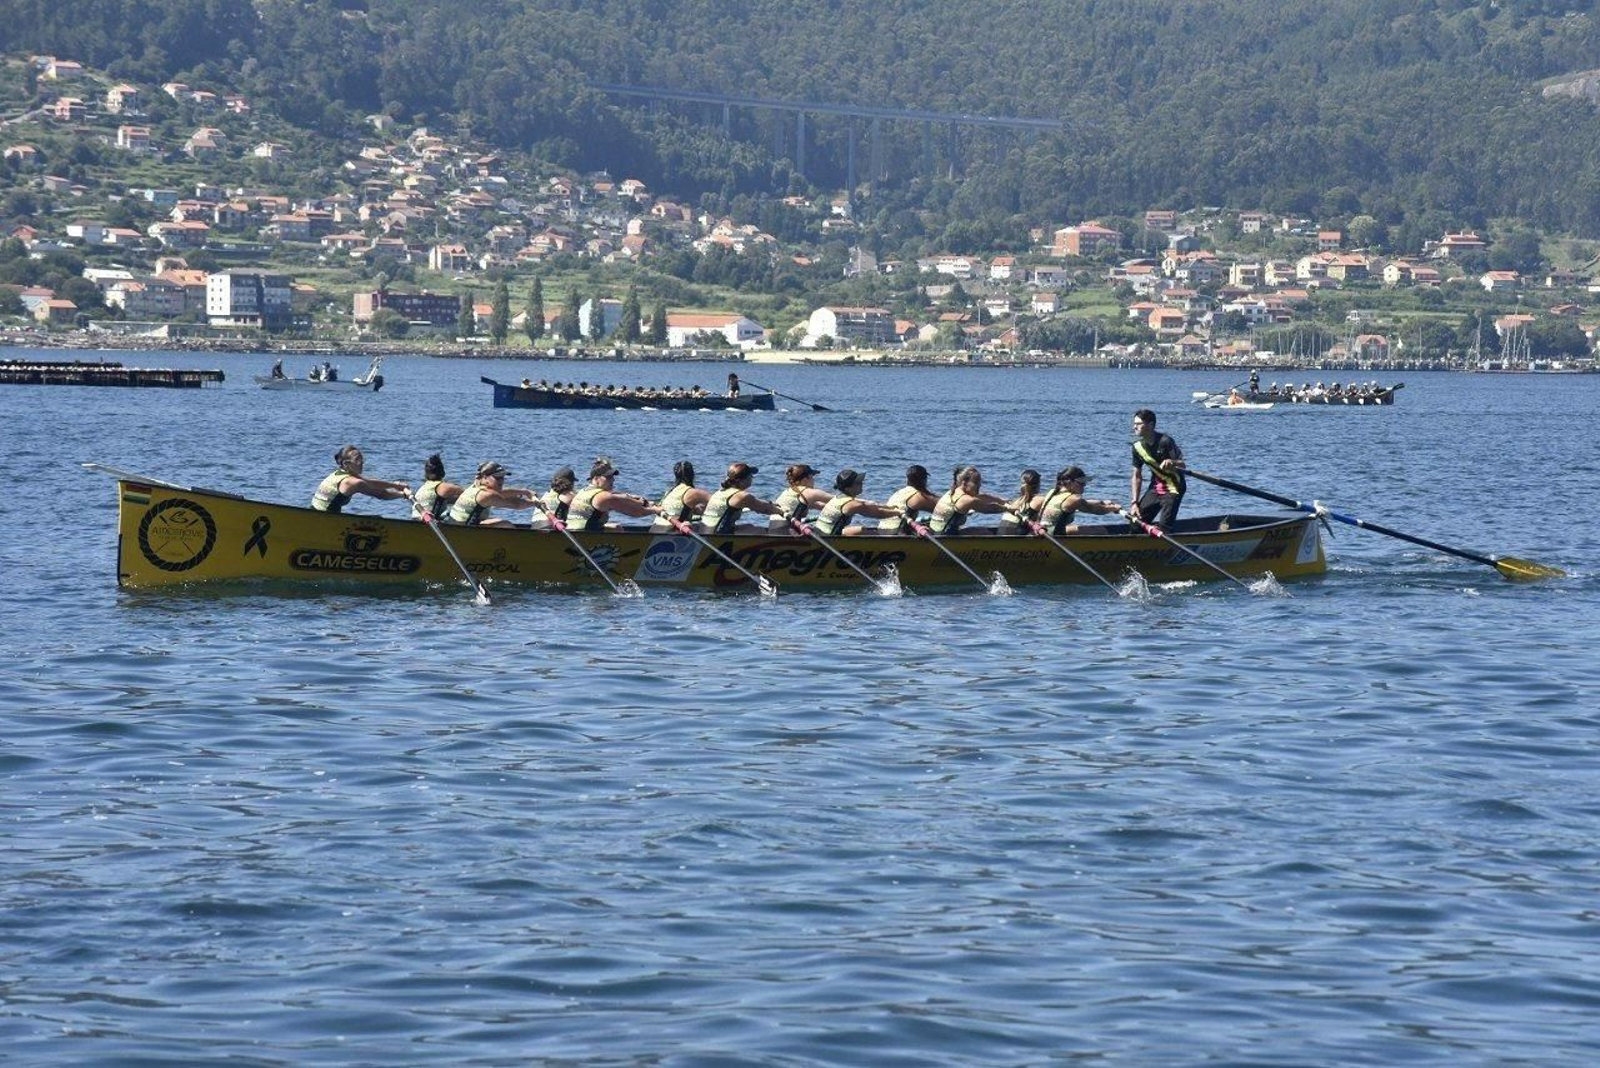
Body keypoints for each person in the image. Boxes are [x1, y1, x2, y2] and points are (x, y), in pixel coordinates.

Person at [564, 459, 661, 531]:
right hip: (587, 535)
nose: (613, 480)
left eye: (612, 477)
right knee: (618, 529)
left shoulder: (583, 491)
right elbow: (635, 512)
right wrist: (655, 510)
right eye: (608, 477)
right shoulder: (603, 497)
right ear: (597, 479)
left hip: (573, 530)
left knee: (617, 527)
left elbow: (617, 496)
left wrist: (637, 500)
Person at [1129, 408, 1186, 531]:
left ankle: (1164, 535)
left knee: (1164, 528)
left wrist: (1173, 462)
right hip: (1155, 488)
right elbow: (1137, 476)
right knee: (1135, 523)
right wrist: (1134, 502)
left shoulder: (1165, 441)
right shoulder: (1137, 447)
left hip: (1174, 488)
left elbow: (1182, 465)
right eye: (1134, 424)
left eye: (1138, 424)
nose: (1134, 427)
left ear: (1150, 425)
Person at [311, 445, 410, 513]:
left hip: (315, 513)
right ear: (346, 463)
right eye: (358, 459)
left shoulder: (339, 473)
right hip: (325, 520)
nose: (362, 462)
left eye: (362, 458)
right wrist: (403, 495)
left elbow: (369, 482)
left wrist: (395, 485)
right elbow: (381, 494)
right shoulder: (351, 482)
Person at [813, 469, 906, 537]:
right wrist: (897, 512)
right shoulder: (853, 505)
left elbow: (868, 504)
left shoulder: (838, 498)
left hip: (822, 534)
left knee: (863, 529)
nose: (862, 483)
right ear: (848, 488)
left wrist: (888, 507)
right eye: (857, 483)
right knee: (876, 534)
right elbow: (878, 513)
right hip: (829, 540)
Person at [699, 462, 784, 535]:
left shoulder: (721, 492)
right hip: (718, 535)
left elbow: (757, 503)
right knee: (763, 531)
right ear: (742, 480)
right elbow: (764, 509)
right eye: (751, 476)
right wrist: (782, 512)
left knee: (749, 527)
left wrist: (769, 503)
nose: (752, 478)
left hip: (705, 531)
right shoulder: (742, 496)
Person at [1034, 466, 1123, 536]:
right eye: (1081, 483)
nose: (1084, 485)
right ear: (1070, 482)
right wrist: (1113, 508)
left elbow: (1085, 503)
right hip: (1054, 535)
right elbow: (1095, 510)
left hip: (1042, 530)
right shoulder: (1074, 499)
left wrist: (1102, 502)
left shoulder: (1053, 492)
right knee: (1101, 530)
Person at [447, 461, 537, 527]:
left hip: (457, 526)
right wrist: (536, 503)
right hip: (464, 532)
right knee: (506, 525)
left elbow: (501, 493)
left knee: (497, 520)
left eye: (502, 477)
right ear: (485, 478)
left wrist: (524, 491)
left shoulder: (475, 487)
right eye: (497, 478)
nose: (501, 481)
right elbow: (516, 505)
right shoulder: (487, 495)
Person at [927, 466, 1009, 535]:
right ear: (964, 483)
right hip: (944, 537)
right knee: (985, 532)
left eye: (980, 482)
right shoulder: (966, 500)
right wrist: (1010, 509)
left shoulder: (954, 491)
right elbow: (990, 508)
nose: (980, 484)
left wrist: (1003, 501)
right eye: (976, 482)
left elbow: (983, 496)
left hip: (936, 532)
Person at [877, 465, 940, 534]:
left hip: (882, 531)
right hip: (896, 535)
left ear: (907, 479)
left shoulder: (899, 492)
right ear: (924, 480)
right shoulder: (918, 496)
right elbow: (942, 508)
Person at [769, 463, 832, 533]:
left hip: (774, 531)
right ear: (805, 480)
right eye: (812, 477)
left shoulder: (789, 491)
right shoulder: (808, 492)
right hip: (786, 534)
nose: (814, 480)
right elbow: (838, 501)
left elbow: (820, 505)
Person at [652, 460, 713, 532]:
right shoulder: (693, 493)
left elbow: (678, 510)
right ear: (692, 475)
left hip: (654, 530)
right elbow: (716, 501)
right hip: (669, 535)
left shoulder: (670, 491)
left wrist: (699, 510)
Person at [412, 453, 464, 521]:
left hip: (415, 521)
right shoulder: (443, 487)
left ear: (426, 473)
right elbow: (467, 493)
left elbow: (438, 501)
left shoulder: (424, 487)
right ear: (442, 472)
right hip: (428, 523)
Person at [998, 469, 1043, 535]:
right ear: (1038, 484)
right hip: (1014, 536)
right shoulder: (1038, 500)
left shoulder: (1015, 501)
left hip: (1000, 533)